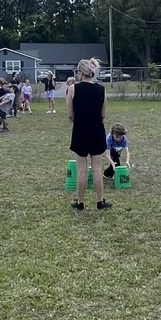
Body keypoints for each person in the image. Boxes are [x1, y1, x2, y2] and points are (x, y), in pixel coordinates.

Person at [67, 59, 111, 211]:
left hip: (80, 132)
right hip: (97, 131)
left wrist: (79, 121)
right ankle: (100, 201)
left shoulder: (72, 89)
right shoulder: (102, 89)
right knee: (97, 169)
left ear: (80, 72)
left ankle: (80, 202)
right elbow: (103, 114)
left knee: (81, 170)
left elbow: (70, 114)